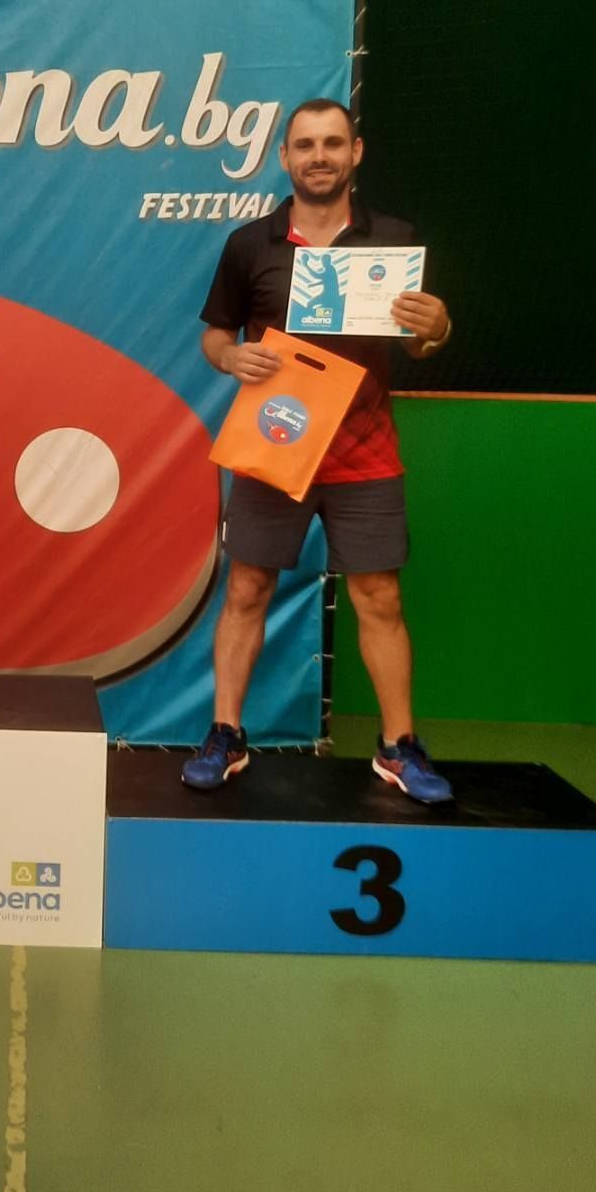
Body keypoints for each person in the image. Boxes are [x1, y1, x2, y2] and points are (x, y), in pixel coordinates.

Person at [183, 98, 454, 803]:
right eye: (305, 145)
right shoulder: (251, 244)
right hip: (276, 444)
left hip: (365, 453)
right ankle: (225, 734)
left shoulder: (393, 241)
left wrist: (438, 328)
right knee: (247, 588)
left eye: (333, 143)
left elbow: (420, 343)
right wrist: (230, 359)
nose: (319, 156)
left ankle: (398, 747)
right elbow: (215, 335)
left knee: (379, 596)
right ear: (285, 158)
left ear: (355, 153)